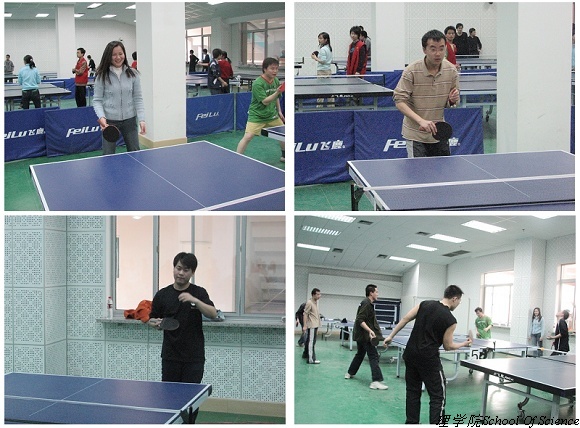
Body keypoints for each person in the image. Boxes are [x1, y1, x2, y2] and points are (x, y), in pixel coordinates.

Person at [384, 285, 471, 424]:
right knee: (438, 396)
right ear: (454, 299)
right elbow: (448, 346)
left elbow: (405, 318)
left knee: (413, 391)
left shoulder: (425, 304)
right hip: (428, 359)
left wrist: (391, 336)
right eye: (459, 301)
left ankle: (411, 423)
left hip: (411, 354)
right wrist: (464, 344)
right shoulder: (451, 320)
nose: (458, 304)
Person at [148, 252, 217, 424]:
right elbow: (152, 319)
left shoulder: (199, 292)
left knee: (192, 401)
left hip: (194, 358)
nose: (181, 273)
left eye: (186, 270)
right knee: (169, 399)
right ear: (174, 268)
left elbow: (213, 313)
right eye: (178, 268)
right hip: (170, 356)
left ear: (192, 272)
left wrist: (194, 300)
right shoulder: (162, 294)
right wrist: (155, 324)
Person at [393, 29, 459, 158]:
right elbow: (399, 101)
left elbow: (453, 102)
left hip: (439, 133)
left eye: (441, 49)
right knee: (418, 171)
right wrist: (421, 121)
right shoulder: (411, 71)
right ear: (424, 50)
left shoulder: (451, 71)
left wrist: (452, 100)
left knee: (444, 171)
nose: (438, 53)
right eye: (433, 49)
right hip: (415, 135)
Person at [93, 40, 146, 155]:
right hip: (109, 122)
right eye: (114, 54)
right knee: (108, 155)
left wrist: (141, 119)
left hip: (130, 120)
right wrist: (102, 117)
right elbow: (97, 100)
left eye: (120, 54)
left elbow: (138, 98)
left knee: (135, 153)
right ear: (108, 56)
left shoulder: (133, 74)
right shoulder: (102, 75)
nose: (118, 57)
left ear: (124, 54)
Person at [235, 57, 285, 162]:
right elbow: (265, 101)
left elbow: (276, 98)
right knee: (248, 136)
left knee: (283, 134)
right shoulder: (258, 83)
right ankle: (237, 158)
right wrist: (277, 92)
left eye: (277, 68)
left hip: (271, 115)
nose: (275, 71)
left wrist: (279, 111)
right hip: (257, 115)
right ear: (265, 69)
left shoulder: (275, 80)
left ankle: (284, 156)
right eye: (272, 68)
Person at [345, 284, 388, 390]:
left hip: (361, 335)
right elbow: (360, 319)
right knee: (373, 356)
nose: (378, 294)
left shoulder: (366, 303)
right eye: (376, 292)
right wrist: (370, 331)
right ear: (371, 293)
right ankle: (375, 381)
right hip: (365, 336)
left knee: (360, 354)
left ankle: (350, 373)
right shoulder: (366, 303)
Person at [311, 32, 334, 107]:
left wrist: (315, 57)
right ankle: (331, 105)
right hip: (328, 70)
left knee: (320, 89)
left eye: (321, 38)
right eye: (319, 38)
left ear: (326, 39)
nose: (319, 40)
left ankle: (319, 106)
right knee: (329, 89)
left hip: (322, 71)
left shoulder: (323, 49)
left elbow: (323, 61)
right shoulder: (329, 48)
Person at [302, 288, 321, 364]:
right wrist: (305, 325)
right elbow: (305, 314)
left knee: (311, 341)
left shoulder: (315, 303)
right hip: (312, 325)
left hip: (315, 325)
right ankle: (311, 359)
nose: (319, 296)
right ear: (313, 295)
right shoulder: (309, 303)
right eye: (318, 294)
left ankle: (306, 355)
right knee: (311, 342)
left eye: (320, 294)